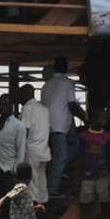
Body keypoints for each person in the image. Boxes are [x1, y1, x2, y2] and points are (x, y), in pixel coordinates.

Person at [41, 57, 83, 196]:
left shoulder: (46, 85)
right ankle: (51, 189)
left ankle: (59, 167)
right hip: (60, 126)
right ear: (66, 68)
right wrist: (86, 119)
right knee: (62, 155)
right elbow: (72, 104)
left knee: (73, 146)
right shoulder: (67, 83)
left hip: (48, 124)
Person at [76, 108, 110, 219]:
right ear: (94, 119)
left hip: (103, 176)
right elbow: (80, 158)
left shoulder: (108, 137)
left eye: (105, 118)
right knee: (85, 207)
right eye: (101, 118)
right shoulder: (83, 136)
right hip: (87, 176)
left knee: (105, 207)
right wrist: (78, 178)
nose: (104, 121)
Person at [17, 85, 52, 203]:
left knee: (32, 183)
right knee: (42, 181)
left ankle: (35, 207)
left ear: (25, 95)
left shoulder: (27, 108)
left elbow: (24, 131)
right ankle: (44, 204)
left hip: (32, 151)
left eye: (20, 95)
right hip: (44, 150)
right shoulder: (44, 108)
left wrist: (19, 151)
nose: (19, 99)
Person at [0, 95, 26, 196]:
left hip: (10, 171)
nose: (2, 107)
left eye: (5, 105)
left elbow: (21, 151)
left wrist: (16, 173)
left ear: (11, 106)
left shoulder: (18, 126)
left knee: (9, 201)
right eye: (0, 105)